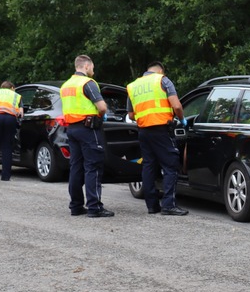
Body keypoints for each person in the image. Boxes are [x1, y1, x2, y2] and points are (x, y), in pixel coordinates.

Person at [126, 62, 189, 216]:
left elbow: (131, 115)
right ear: (161, 71)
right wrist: (181, 119)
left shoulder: (133, 86)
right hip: (161, 129)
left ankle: (152, 206)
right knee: (171, 164)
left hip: (143, 131)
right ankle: (169, 205)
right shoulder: (163, 81)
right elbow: (177, 106)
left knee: (148, 166)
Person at [61, 55, 112, 217]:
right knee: (93, 166)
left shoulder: (66, 85)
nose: (93, 70)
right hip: (88, 128)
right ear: (86, 66)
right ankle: (94, 207)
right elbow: (102, 106)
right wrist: (100, 115)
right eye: (92, 67)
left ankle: (75, 206)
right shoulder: (87, 84)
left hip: (72, 129)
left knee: (76, 167)